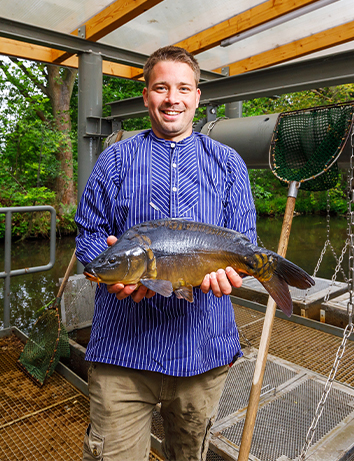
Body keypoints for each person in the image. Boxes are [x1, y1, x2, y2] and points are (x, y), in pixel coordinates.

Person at [75, 45, 256, 461]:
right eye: (161, 87)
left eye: (183, 88)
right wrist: (104, 266)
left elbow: (244, 240)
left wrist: (235, 274)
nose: (172, 98)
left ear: (196, 96)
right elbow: (89, 233)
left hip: (203, 350)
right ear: (146, 96)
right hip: (123, 352)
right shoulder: (115, 159)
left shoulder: (228, 163)